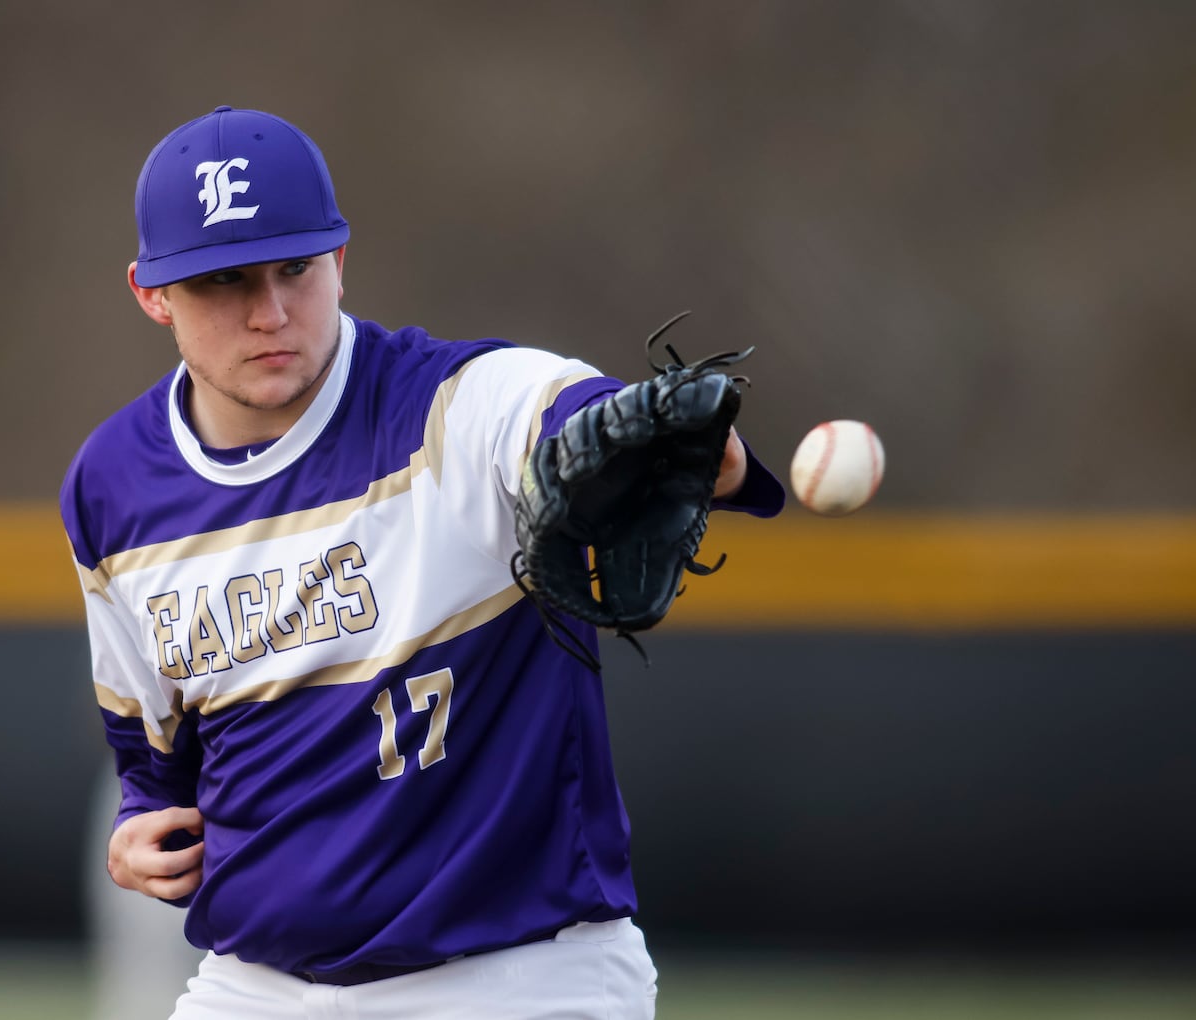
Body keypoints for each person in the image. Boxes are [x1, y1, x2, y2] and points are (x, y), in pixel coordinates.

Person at [59, 105, 785, 1020]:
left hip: (516, 979)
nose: (271, 311)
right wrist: (136, 828)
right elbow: (152, 758)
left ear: (341, 258)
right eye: (223, 282)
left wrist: (653, 443)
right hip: (257, 988)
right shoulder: (112, 487)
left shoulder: (445, 407)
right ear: (151, 294)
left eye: (296, 268)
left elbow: (556, 411)